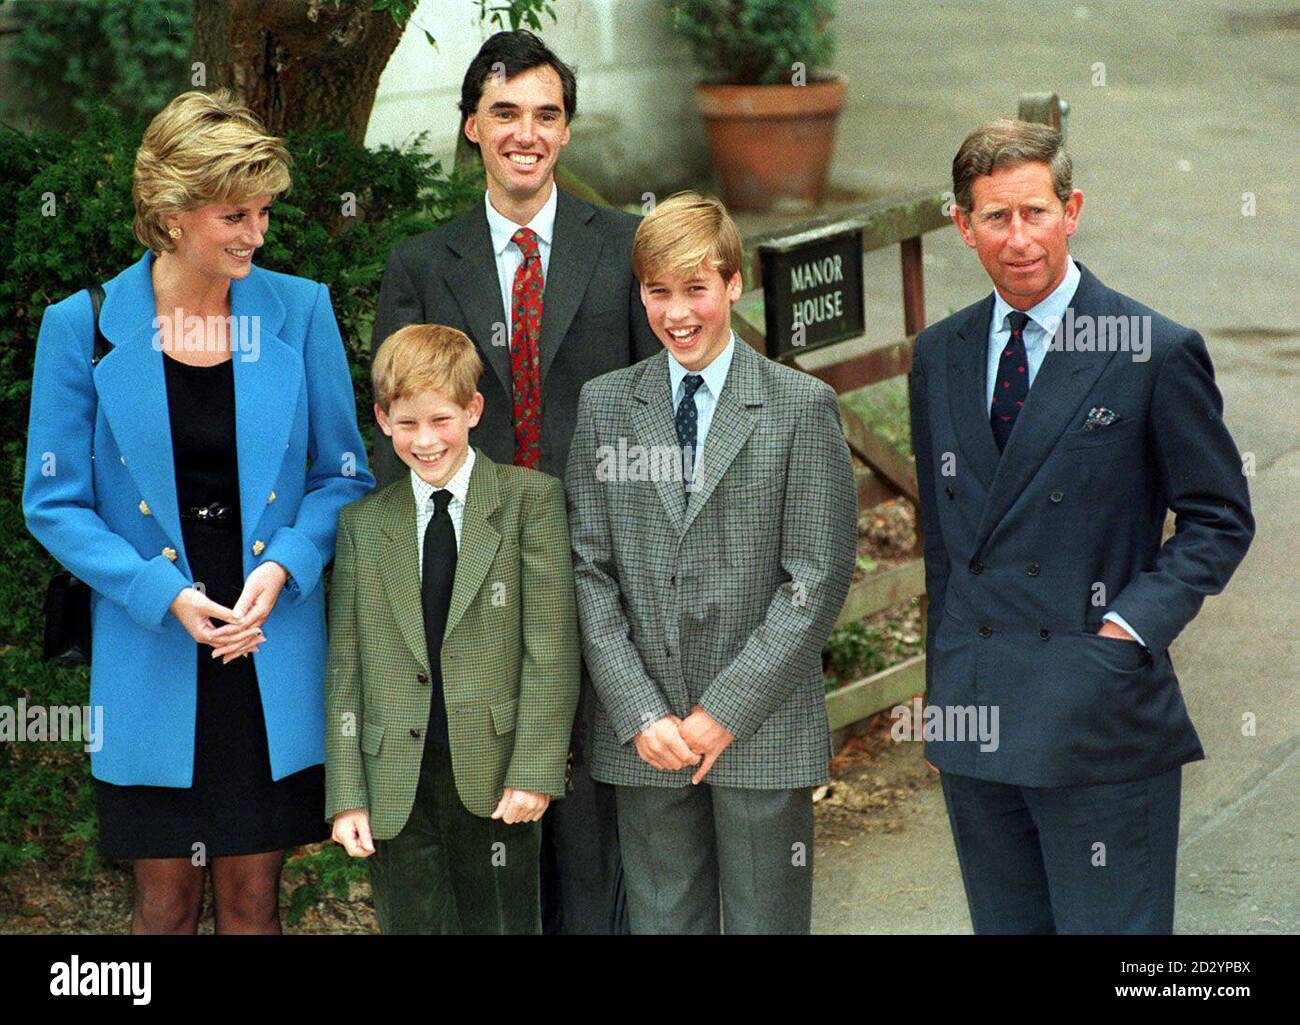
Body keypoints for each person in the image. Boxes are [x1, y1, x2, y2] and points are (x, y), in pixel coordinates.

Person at [21, 90, 375, 934]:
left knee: (255, 906)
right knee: (165, 905)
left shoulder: (302, 309)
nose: (256, 233)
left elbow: (345, 472)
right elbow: (54, 500)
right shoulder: (84, 326)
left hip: (268, 647)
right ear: (172, 214)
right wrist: (158, 593)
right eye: (235, 215)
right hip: (152, 652)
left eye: (262, 212)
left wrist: (287, 563)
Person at [909, 118, 1255, 934]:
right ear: (962, 225)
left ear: (1073, 210)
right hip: (979, 711)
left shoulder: (1152, 349)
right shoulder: (940, 354)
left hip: (1097, 714)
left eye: (1036, 211)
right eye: (996, 217)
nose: (1018, 238)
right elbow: (944, 547)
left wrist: (1126, 630)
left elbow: (1218, 517)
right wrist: (943, 695)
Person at [370, 29, 658, 935]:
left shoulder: (623, 246)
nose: (525, 133)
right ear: (471, 128)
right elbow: (395, 434)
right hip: (473, 582)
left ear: (567, 130)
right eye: (504, 113)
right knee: (492, 811)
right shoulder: (424, 262)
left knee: (591, 825)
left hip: (601, 569)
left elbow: (657, 410)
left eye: (546, 114)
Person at [565, 192, 858, 934]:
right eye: (658, 292)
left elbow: (816, 578)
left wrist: (723, 712)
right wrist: (638, 710)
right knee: (663, 921)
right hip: (647, 735)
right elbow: (588, 571)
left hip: (761, 726)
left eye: (696, 288)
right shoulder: (606, 406)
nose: (677, 312)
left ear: (733, 284)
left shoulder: (800, 405)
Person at [326, 324, 580, 934]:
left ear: (472, 409)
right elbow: (345, 670)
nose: (425, 440)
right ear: (383, 420)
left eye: (441, 420)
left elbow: (550, 649)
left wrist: (535, 769)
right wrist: (346, 794)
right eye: (407, 423)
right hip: (394, 782)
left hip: (496, 773)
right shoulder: (364, 525)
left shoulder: (530, 502)